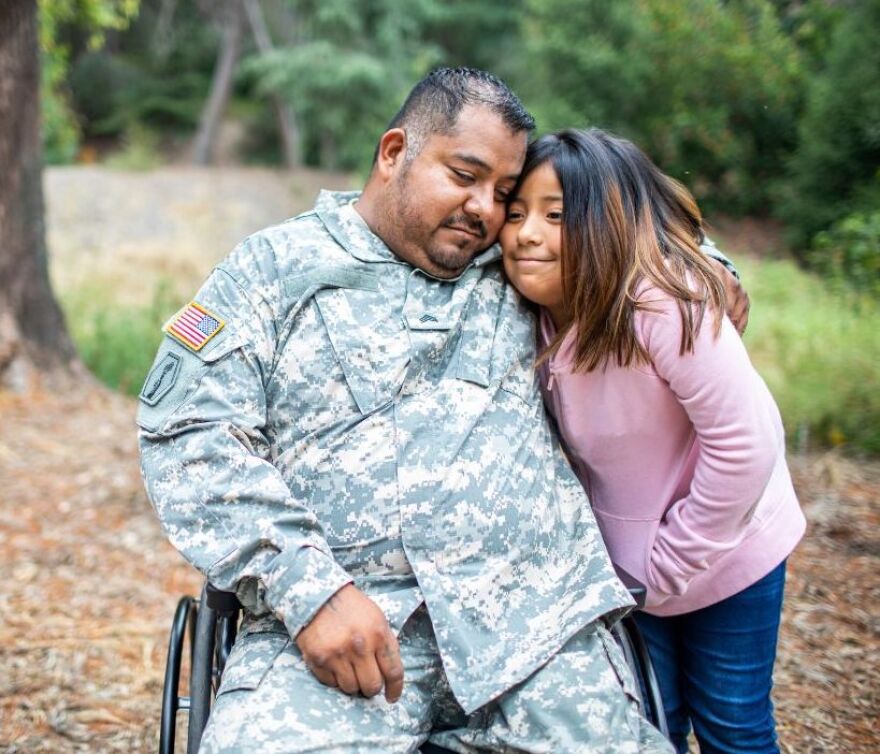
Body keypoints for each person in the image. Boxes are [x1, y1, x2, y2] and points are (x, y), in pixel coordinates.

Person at [138, 69, 674, 753]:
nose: (485, 209)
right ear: (394, 152)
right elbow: (188, 433)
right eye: (464, 175)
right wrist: (310, 591)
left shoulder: (517, 264)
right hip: (345, 633)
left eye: (504, 195)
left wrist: (703, 266)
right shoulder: (272, 271)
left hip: (535, 629)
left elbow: (620, 233)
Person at [499, 128, 806, 754]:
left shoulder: (663, 304)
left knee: (732, 722)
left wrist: (670, 563)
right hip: (633, 571)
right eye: (517, 213)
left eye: (556, 216)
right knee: (650, 723)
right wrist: (640, 572)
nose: (527, 233)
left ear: (609, 224)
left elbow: (745, 444)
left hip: (729, 548)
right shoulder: (528, 309)